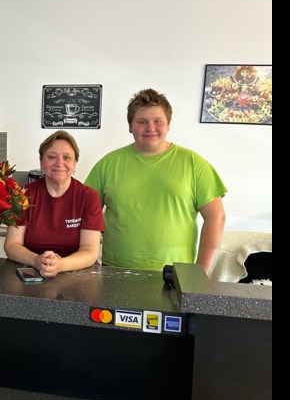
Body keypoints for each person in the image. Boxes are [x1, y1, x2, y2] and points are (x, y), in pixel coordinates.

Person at [85, 89, 227, 273]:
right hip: (114, 271)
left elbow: (216, 217)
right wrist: (88, 259)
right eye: (141, 122)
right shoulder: (108, 163)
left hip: (175, 274)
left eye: (158, 121)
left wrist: (199, 274)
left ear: (168, 124)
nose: (150, 127)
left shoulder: (194, 164)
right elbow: (86, 216)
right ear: (130, 126)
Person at [4, 131, 104, 278]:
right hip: (32, 273)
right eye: (51, 157)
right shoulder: (23, 195)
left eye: (67, 157)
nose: (59, 163)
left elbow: (89, 251)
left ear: (75, 163)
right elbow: (12, 245)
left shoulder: (89, 197)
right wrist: (37, 261)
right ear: (41, 162)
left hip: (78, 277)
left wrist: (60, 265)